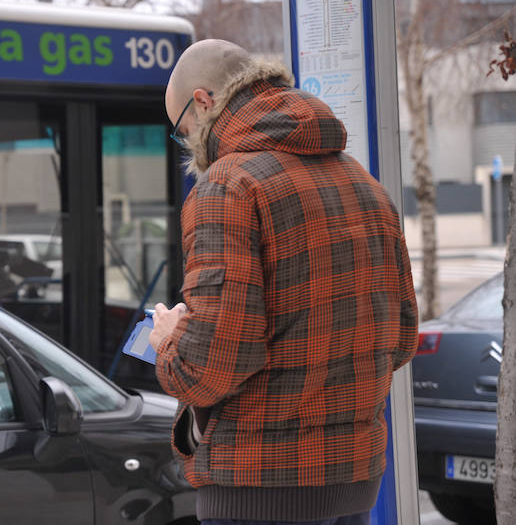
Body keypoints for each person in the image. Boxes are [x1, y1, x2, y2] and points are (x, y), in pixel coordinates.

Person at [149, 39, 418, 525]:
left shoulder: (227, 186)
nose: (187, 143)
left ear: (204, 101)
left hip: (259, 485)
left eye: (181, 130)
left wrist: (171, 342)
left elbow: (210, 365)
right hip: (355, 483)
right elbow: (399, 339)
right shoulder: (363, 183)